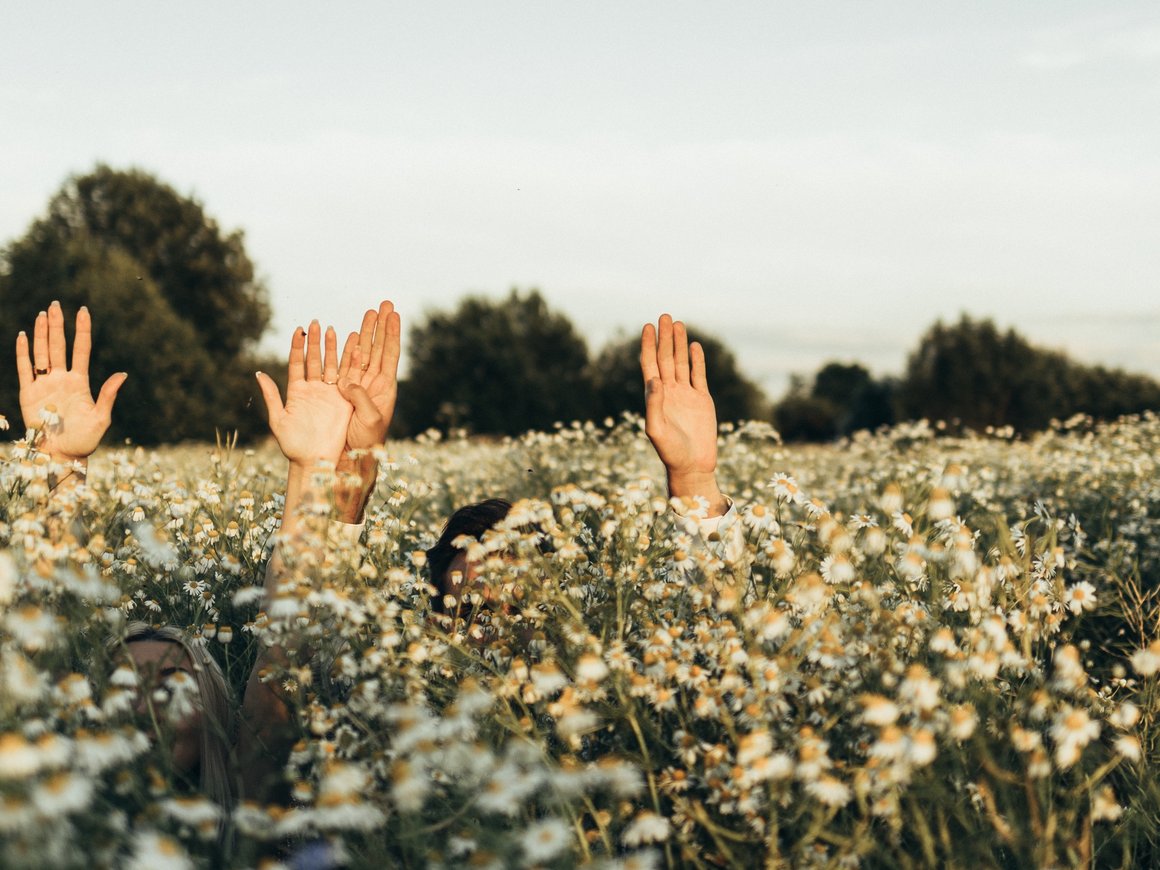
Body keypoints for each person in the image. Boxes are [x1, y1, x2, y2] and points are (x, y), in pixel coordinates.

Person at [14, 302, 235, 806]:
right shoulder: (62, 827)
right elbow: (49, 633)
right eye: (122, 684)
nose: (145, 706)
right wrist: (59, 465)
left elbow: (283, 667)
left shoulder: (246, 823)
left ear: (220, 718)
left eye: (173, 682)